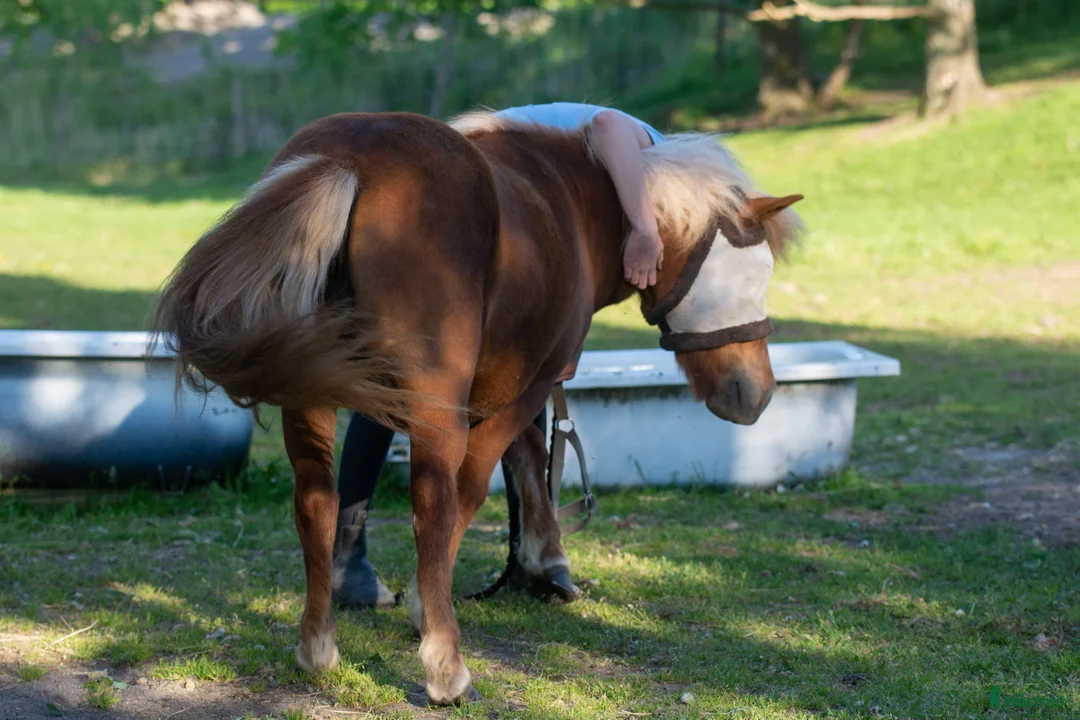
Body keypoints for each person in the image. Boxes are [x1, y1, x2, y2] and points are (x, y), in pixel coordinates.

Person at [331, 102, 668, 609]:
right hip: (479, 200)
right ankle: (353, 554)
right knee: (394, 379)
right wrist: (645, 228)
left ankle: (529, 551)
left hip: (483, 200)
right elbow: (609, 124)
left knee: (492, 384)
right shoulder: (653, 151)